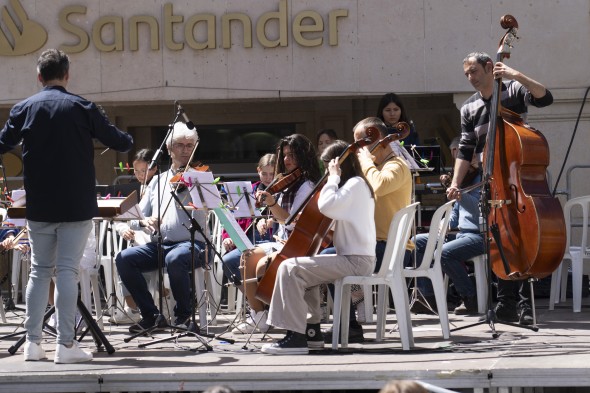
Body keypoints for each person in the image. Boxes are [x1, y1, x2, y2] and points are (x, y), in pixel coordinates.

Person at [0, 49, 133, 363]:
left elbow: (2, 142)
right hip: (75, 205)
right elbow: (120, 142)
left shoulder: (24, 108)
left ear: (39, 76)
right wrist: (126, 138)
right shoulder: (82, 107)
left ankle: (33, 344)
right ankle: (65, 345)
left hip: (40, 206)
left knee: (39, 273)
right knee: (67, 273)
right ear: (67, 75)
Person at [447, 51, 554, 325]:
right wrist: (456, 184)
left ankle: (525, 303)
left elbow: (545, 97)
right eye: (467, 74)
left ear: (488, 67)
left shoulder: (513, 90)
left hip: (520, 180)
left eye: (474, 72)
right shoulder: (469, 108)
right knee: (499, 240)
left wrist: (514, 74)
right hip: (492, 182)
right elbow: (466, 150)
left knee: (522, 239)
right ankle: (505, 304)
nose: (471, 78)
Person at [261, 140, 376, 355]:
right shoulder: (355, 186)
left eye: (327, 166)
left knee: (290, 268)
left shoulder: (355, 184)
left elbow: (326, 205)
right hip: (353, 258)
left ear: (339, 164)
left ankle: (295, 337)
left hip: (356, 261)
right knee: (303, 266)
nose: (325, 171)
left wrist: (333, 178)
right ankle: (311, 332)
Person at [322, 117, 413, 344]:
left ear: (378, 140)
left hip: (389, 249)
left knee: (327, 260)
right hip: (373, 246)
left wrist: (364, 160)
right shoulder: (373, 170)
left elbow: (379, 185)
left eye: (360, 143)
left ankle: (349, 325)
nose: (357, 150)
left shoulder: (397, 166)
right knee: (331, 256)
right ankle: (351, 316)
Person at [115, 121, 208, 333]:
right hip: (161, 245)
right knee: (124, 259)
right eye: (180, 145)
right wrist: (143, 221)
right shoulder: (157, 182)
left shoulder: (200, 178)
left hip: (194, 245)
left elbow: (213, 209)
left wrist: (200, 197)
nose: (185, 150)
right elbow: (132, 216)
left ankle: (183, 315)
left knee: (174, 258)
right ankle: (151, 315)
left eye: (189, 145)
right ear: (169, 149)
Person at [232, 134, 321, 334]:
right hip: (281, 241)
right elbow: (280, 217)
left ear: (303, 156)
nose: (287, 160)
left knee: (264, 265)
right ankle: (259, 316)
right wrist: (268, 216)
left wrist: (272, 203)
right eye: (285, 155)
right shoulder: (286, 182)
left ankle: (280, 317)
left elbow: (290, 219)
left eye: (292, 155)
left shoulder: (306, 185)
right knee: (247, 256)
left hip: (298, 244)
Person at [411, 137, 484, 316]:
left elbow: (476, 209)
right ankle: (427, 296)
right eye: (467, 155)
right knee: (416, 242)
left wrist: (458, 194)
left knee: (444, 253)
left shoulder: (484, 178)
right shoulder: (464, 180)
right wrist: (444, 222)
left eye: (474, 154)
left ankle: (470, 297)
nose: (472, 158)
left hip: (480, 234)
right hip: (461, 234)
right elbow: (456, 217)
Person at [109, 149, 159, 324]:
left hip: (152, 239)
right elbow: (121, 218)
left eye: (144, 171)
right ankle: (132, 308)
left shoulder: (159, 189)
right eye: (136, 171)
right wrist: (123, 229)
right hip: (136, 239)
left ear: (154, 169)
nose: (139, 175)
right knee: (122, 259)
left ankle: (140, 307)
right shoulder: (132, 189)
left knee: (133, 257)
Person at [221, 153, 276, 286]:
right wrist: (228, 237)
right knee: (228, 261)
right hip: (249, 242)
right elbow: (234, 217)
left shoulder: (282, 191)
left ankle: (261, 300)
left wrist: (272, 221)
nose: (268, 178)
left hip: (272, 241)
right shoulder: (248, 191)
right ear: (258, 171)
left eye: (272, 174)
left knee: (263, 265)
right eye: (264, 174)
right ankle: (252, 299)